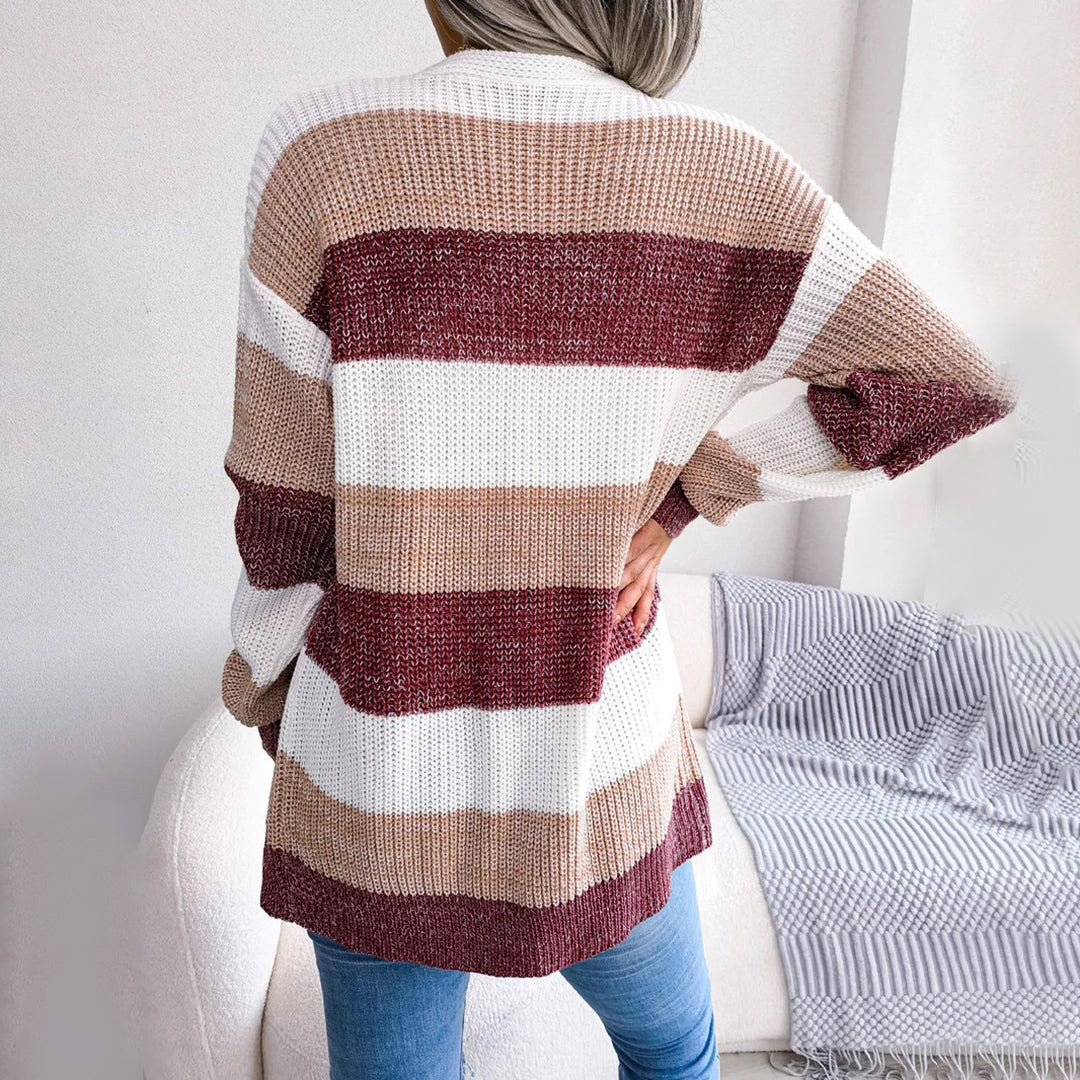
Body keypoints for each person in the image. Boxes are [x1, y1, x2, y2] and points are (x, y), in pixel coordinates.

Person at [219, 1, 1017, 1077]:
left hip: (379, 763)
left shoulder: (324, 153)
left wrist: (272, 700)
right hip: (603, 761)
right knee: (675, 1056)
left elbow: (281, 508)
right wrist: (688, 495)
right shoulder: (725, 172)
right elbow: (953, 380)